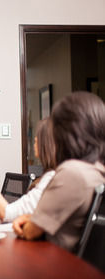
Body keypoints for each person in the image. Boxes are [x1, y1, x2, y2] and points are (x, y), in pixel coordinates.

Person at [13, 92, 105, 252]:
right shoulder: (97, 170)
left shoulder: (72, 173)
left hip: (53, 264)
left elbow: (30, 232)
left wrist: (29, 221)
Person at [0, 118, 56, 222]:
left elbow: (7, 214)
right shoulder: (50, 176)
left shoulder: (52, 179)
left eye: (39, 137)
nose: (35, 140)